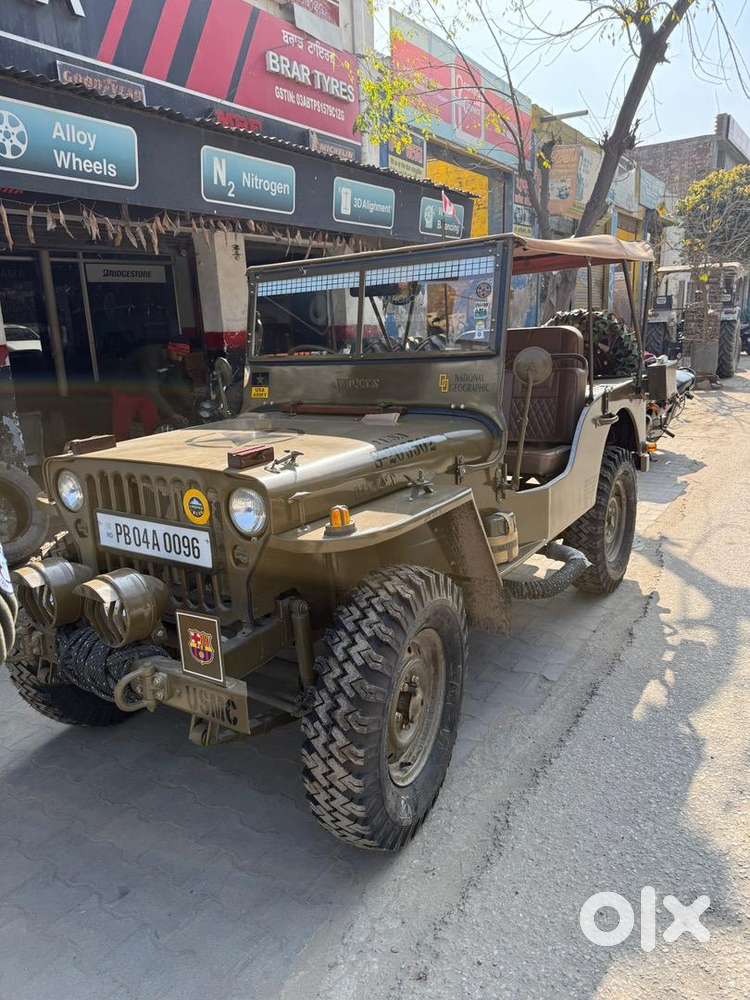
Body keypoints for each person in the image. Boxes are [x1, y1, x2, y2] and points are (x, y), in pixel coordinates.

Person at [111, 340, 189, 440]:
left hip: (146, 392)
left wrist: (189, 404)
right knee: (122, 429)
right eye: (178, 354)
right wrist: (172, 414)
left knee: (152, 425)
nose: (180, 359)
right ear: (170, 349)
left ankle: (154, 448)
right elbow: (151, 389)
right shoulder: (150, 356)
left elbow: (177, 383)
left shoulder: (173, 360)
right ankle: (118, 451)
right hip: (125, 391)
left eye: (182, 356)